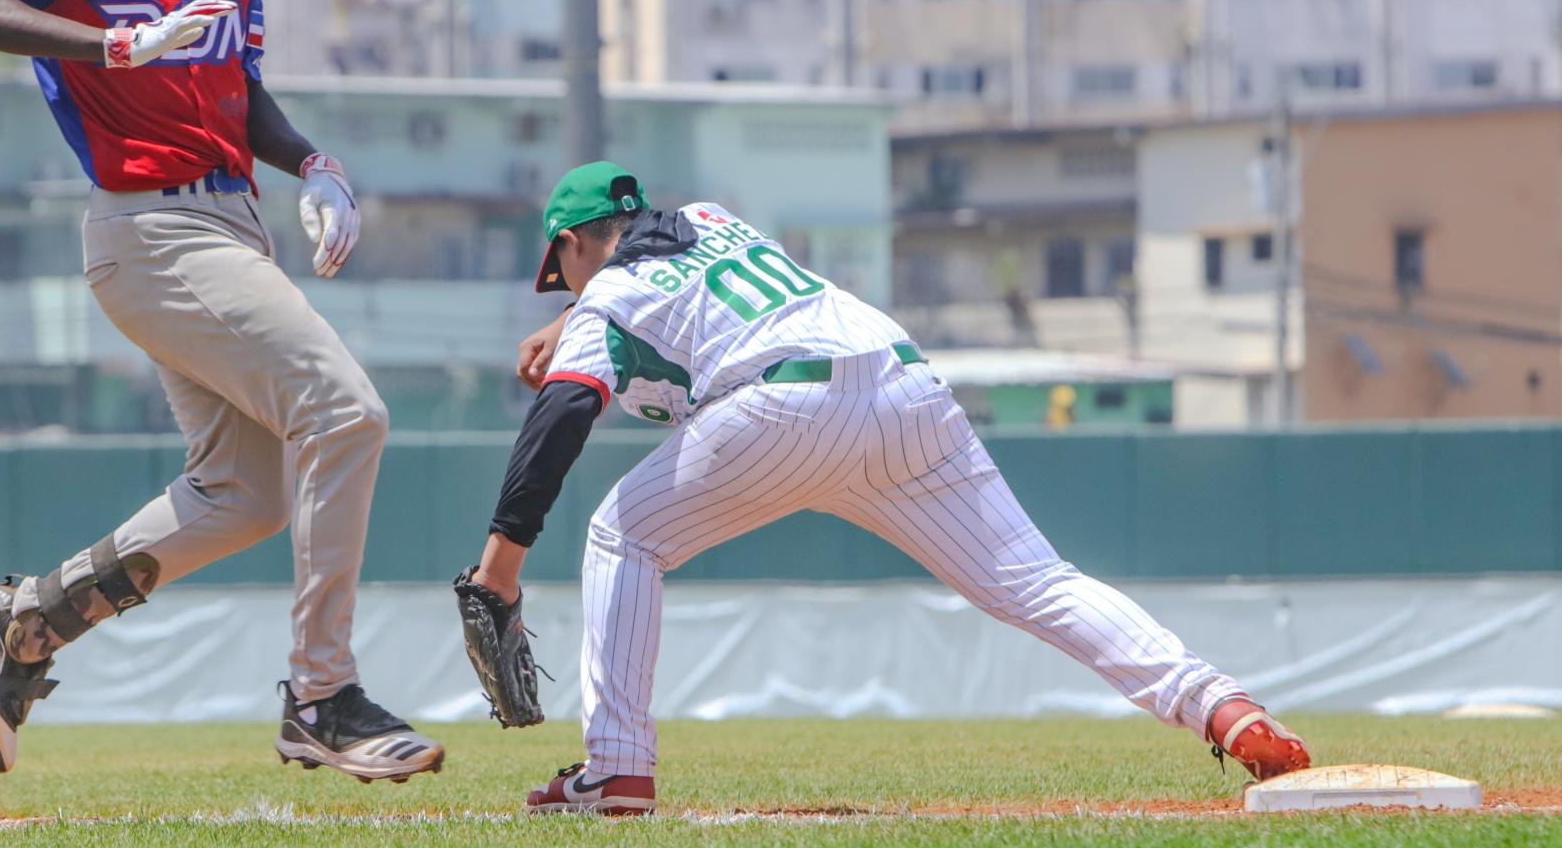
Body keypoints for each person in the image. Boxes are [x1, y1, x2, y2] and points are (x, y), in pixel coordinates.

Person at [466, 163, 1310, 815]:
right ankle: (1223, 707)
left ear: (575, 242)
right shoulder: (711, 221)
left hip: (786, 408)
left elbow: (566, 411)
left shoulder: (605, 296)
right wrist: (574, 316)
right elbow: (661, 277)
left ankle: (615, 768)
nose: (564, 287)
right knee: (1039, 582)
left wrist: (501, 564)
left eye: (561, 270)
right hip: (900, 384)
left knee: (624, 536)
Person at [0, 0, 440, 782]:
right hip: (149, 229)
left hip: (230, 226)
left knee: (245, 495)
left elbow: (236, 82)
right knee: (347, 411)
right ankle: (321, 695)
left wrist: (313, 163)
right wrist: (109, 44)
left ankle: (23, 620)